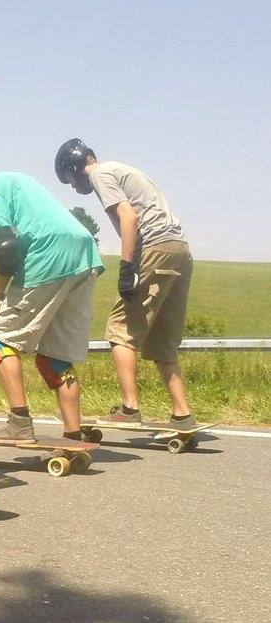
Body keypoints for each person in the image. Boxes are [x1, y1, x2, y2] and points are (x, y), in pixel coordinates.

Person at [0, 145, 103, 443]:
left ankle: (19, 422)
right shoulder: (11, 179)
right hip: (84, 255)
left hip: (49, 256)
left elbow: (7, 247)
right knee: (55, 356)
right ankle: (74, 437)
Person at [55, 139, 197, 429]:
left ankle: (130, 409)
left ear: (74, 171)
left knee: (120, 330)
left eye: (70, 182)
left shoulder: (98, 174)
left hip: (154, 247)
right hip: (179, 249)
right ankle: (182, 413)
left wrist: (126, 267)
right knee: (162, 341)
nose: (74, 189)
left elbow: (129, 217)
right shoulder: (121, 169)